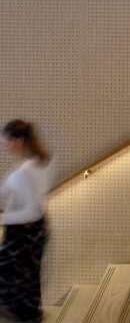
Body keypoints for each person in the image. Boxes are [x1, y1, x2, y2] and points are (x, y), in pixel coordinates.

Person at [0, 120, 52, 322]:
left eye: (7, 143)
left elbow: (31, 211)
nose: (5, 148)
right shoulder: (37, 161)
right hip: (33, 231)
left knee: (14, 285)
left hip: (23, 234)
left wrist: (3, 217)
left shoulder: (26, 169)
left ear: (18, 139)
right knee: (27, 282)